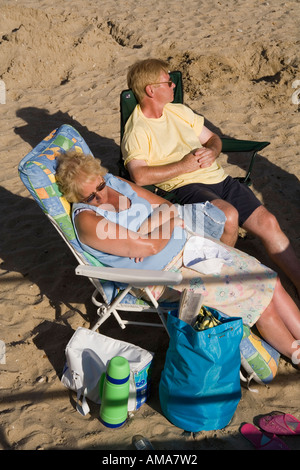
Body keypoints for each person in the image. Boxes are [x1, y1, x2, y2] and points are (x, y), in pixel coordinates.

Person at [55, 150, 300, 367]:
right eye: (90, 197)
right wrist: (168, 223)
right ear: (76, 198)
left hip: (193, 248)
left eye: (99, 187)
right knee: (261, 302)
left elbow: (165, 205)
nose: (101, 197)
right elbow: (151, 247)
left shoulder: (113, 182)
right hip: (167, 276)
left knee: (271, 280)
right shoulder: (88, 220)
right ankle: (296, 354)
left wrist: (156, 226)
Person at [121, 58, 300, 296]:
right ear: (151, 90)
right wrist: (183, 166)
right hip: (184, 187)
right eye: (168, 82)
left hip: (220, 180)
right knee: (228, 216)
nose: (174, 85)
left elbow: (213, 138)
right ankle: (221, 284)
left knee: (268, 223)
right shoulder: (137, 130)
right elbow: (139, 176)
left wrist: (213, 151)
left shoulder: (179, 111)